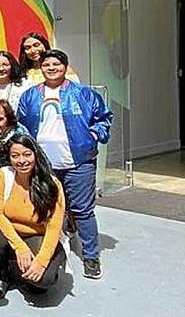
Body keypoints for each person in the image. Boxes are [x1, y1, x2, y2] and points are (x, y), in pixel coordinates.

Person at [16, 49, 113, 279]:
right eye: (47, 64)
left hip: (79, 162)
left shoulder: (83, 93)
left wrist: (94, 135)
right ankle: (51, 250)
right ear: (41, 68)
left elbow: (104, 118)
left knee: (82, 210)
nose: (51, 68)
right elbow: (20, 124)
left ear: (65, 67)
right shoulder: (30, 96)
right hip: (43, 165)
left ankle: (91, 256)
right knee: (47, 208)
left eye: (56, 64)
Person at [0, 135, 67, 298]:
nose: (21, 161)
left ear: (36, 154)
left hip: (37, 236)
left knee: (43, 280)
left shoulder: (52, 184)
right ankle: (4, 272)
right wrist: (20, 248)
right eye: (15, 156)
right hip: (7, 234)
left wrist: (41, 262)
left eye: (27, 154)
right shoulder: (2, 176)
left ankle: (24, 271)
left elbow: (54, 226)